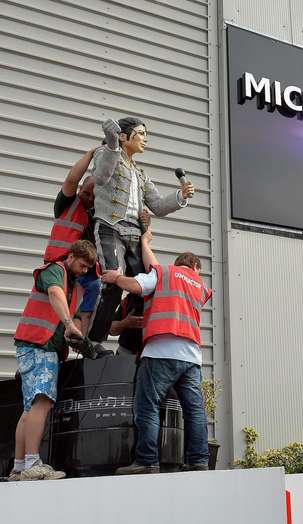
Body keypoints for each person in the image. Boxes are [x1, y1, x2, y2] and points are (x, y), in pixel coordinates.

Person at [102, 228, 212, 474]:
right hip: (191, 357)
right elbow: (160, 270)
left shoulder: (164, 273)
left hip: (161, 351)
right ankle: (198, 461)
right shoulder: (200, 286)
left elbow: (138, 285)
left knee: (148, 406)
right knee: (194, 410)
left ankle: (147, 461)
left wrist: (116, 278)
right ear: (194, 265)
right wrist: (145, 242)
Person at [88, 117, 195, 344]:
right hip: (110, 227)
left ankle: (138, 339)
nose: (145, 139)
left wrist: (180, 196)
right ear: (124, 136)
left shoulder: (140, 173)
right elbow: (100, 176)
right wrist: (112, 145)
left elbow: (156, 205)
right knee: (113, 283)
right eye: (141, 133)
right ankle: (93, 341)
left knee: (147, 285)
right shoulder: (106, 153)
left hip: (134, 233)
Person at [8, 239, 97, 481]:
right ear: (70, 257)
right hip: (39, 345)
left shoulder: (75, 286)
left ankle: (19, 467)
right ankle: (33, 462)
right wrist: (69, 324)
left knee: (29, 408)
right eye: (82, 265)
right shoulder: (55, 271)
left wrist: (79, 336)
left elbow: (74, 318)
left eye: (89, 268)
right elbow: (55, 292)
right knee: (43, 401)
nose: (85, 271)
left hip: (36, 345)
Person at [45, 149, 101, 332]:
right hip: (61, 267)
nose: (89, 200)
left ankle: (82, 338)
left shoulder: (96, 215)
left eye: (94, 197)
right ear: (80, 190)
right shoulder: (67, 204)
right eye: (86, 194)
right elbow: (71, 179)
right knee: (57, 311)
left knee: (95, 288)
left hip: (82, 274)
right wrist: (92, 154)